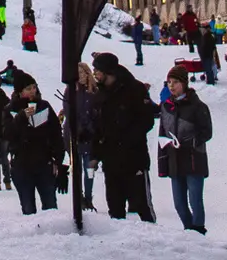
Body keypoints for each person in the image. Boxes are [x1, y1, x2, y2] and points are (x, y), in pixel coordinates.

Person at [92, 52, 158, 221]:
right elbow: (98, 127)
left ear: (108, 71)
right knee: (115, 209)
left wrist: (126, 139)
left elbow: (147, 120)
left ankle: (153, 241)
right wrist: (96, 153)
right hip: (110, 161)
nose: (95, 74)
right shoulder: (100, 94)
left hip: (133, 159)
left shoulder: (134, 89)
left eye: (97, 70)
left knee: (142, 206)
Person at [158, 66, 212, 233]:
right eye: (169, 83)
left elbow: (207, 132)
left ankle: (198, 230)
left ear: (184, 83)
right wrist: (163, 161)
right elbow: (162, 134)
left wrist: (191, 141)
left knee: (195, 199)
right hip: (174, 160)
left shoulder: (197, 106)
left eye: (175, 82)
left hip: (193, 159)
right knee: (179, 203)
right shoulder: (166, 106)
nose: (171, 86)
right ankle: (189, 230)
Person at [3, 75, 62, 215]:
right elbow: (8, 135)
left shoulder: (44, 106)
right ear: (19, 91)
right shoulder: (10, 109)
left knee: (50, 207)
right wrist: (21, 117)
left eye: (34, 87)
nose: (32, 91)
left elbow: (56, 134)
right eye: (28, 88)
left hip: (44, 163)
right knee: (28, 209)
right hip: (22, 165)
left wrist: (57, 160)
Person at [66, 62, 101, 212]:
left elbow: (98, 114)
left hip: (90, 137)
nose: (80, 76)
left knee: (90, 168)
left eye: (82, 73)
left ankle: (88, 196)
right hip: (74, 135)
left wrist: (91, 129)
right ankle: (79, 196)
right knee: (77, 169)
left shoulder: (94, 92)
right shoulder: (71, 91)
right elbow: (69, 113)